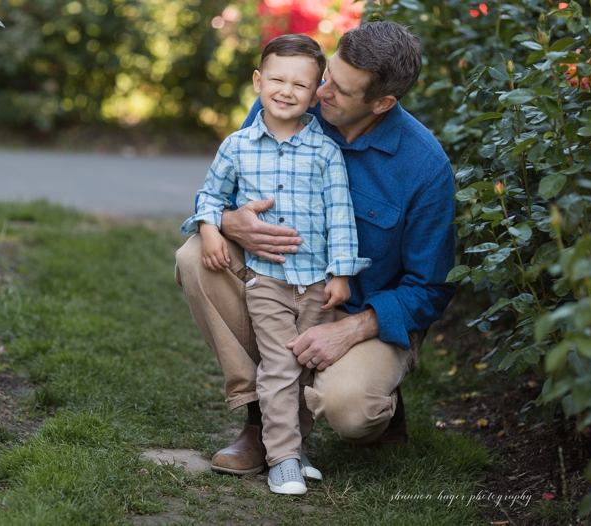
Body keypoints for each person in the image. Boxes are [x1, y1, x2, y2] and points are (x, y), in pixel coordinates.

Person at [175, 22, 456, 478]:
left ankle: (380, 401)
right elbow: (221, 189)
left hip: (360, 310)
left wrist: (351, 331)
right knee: (194, 258)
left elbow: (431, 288)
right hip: (279, 280)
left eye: (339, 89)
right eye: (326, 76)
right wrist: (230, 223)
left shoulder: (425, 167)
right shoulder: (287, 104)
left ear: (382, 103)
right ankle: (261, 420)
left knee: (350, 409)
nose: (320, 92)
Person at [183, 33, 371, 495]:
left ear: (315, 92)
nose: (286, 91)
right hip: (267, 277)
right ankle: (282, 459)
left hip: (316, 280)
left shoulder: (325, 151)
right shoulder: (238, 146)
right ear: (257, 81)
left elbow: (340, 214)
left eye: (300, 84)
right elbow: (210, 195)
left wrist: (343, 273)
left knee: (303, 369)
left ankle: (296, 449)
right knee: (278, 367)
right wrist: (210, 228)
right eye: (276, 79)